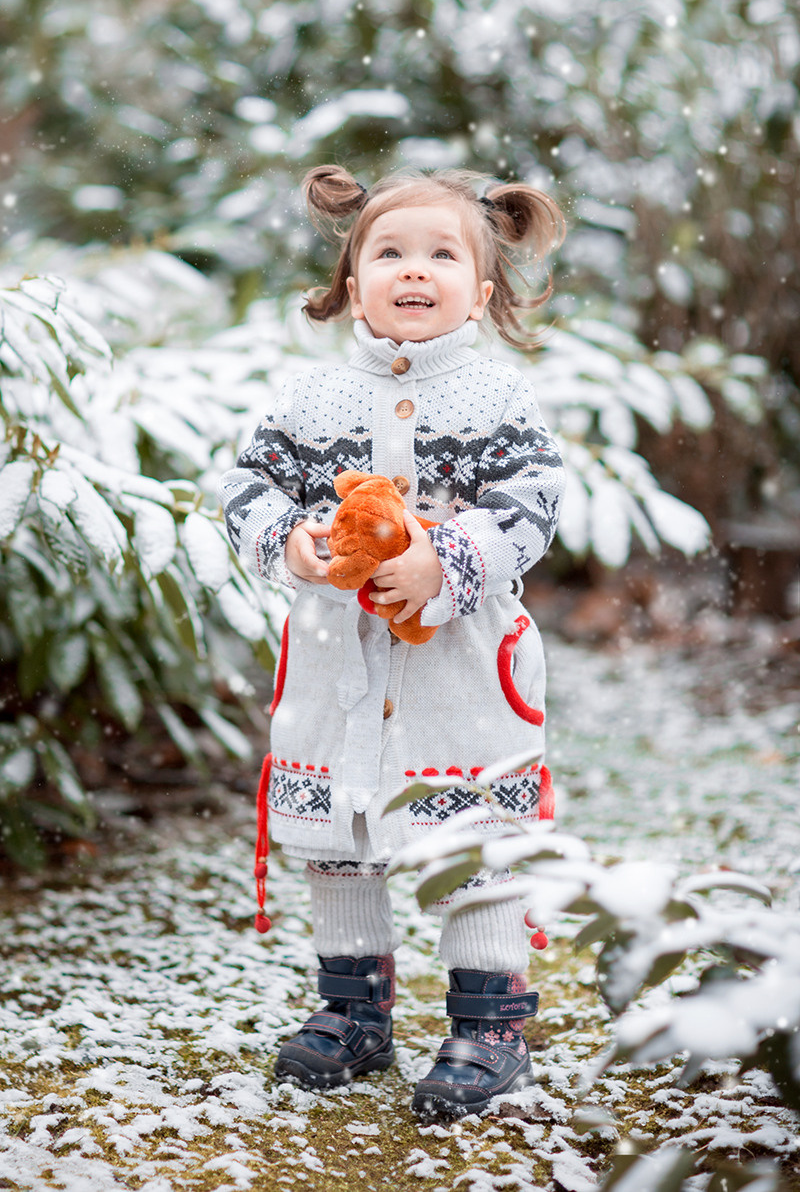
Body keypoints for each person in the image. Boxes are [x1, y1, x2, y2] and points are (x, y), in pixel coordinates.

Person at [219, 164, 565, 1120]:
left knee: (474, 839)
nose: (415, 270)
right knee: (345, 834)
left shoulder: (498, 399)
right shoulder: (309, 401)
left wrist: (445, 560)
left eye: (441, 254)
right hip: (338, 662)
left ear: (482, 291)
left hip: (460, 668)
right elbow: (246, 487)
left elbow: (533, 507)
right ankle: (353, 1009)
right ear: (352, 280)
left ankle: (490, 1023)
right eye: (390, 252)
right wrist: (288, 539)